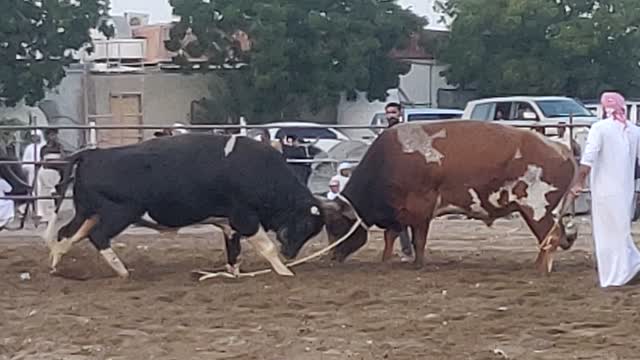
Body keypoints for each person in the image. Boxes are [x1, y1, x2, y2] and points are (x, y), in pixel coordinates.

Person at [571, 91, 640, 287]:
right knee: (621, 230)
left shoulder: (599, 128)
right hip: (626, 190)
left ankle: (614, 276)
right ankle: (630, 265)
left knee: (606, 234)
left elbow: (588, 159)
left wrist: (578, 182)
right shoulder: (634, 131)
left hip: (604, 191)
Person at [384, 102, 414, 262]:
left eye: (393, 112)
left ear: (400, 113)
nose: (390, 116)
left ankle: (408, 250)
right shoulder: (385, 134)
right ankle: (405, 249)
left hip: (406, 182)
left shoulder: (406, 132)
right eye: (388, 113)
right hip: (391, 182)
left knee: (405, 216)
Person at [38, 129, 65, 224]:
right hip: (46, 171)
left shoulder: (59, 147)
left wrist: (53, 161)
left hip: (55, 172)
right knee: (44, 188)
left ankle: (52, 189)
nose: (54, 137)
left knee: (48, 181)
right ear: (48, 136)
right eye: (52, 135)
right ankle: (46, 213)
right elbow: (42, 161)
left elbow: (62, 160)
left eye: (55, 135)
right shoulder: (43, 149)